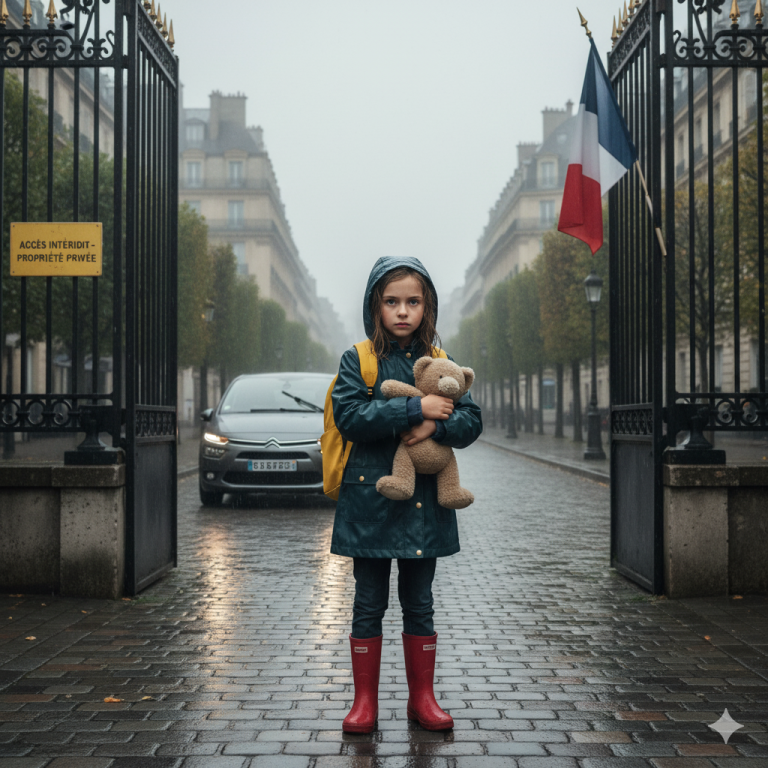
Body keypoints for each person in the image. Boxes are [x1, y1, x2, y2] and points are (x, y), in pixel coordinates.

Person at [330, 256, 483, 733]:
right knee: (368, 602)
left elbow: (472, 420)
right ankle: (365, 705)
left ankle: (423, 700)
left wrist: (439, 424)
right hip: (370, 501)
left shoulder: (441, 359)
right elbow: (349, 418)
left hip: (424, 505)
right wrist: (416, 408)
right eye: (391, 301)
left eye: (412, 302)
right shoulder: (359, 358)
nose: (402, 311)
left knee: (420, 601)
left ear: (426, 306)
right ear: (375, 305)